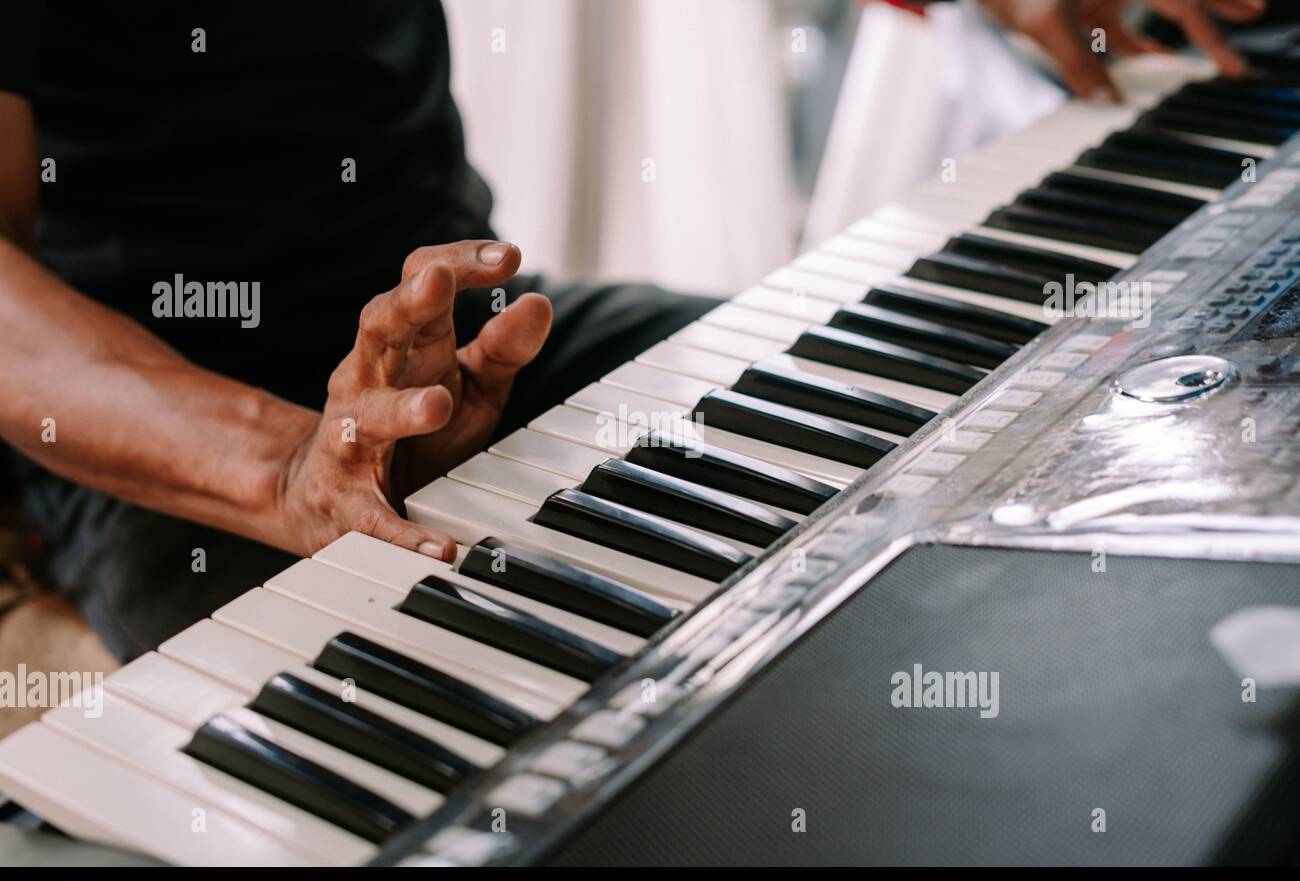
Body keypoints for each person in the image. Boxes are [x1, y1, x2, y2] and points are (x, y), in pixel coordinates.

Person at [0, 0, 1267, 662]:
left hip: (470, 336)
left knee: (934, 416)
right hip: (183, 429)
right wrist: (283, 464)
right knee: (506, 715)